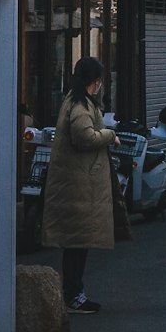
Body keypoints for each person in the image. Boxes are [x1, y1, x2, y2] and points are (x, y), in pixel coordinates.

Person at [42, 56, 118, 315]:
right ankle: (74, 296)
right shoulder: (80, 105)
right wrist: (109, 135)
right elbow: (84, 136)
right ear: (94, 81)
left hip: (76, 185)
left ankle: (74, 293)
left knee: (76, 243)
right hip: (78, 187)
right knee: (77, 244)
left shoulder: (73, 100)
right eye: (99, 80)